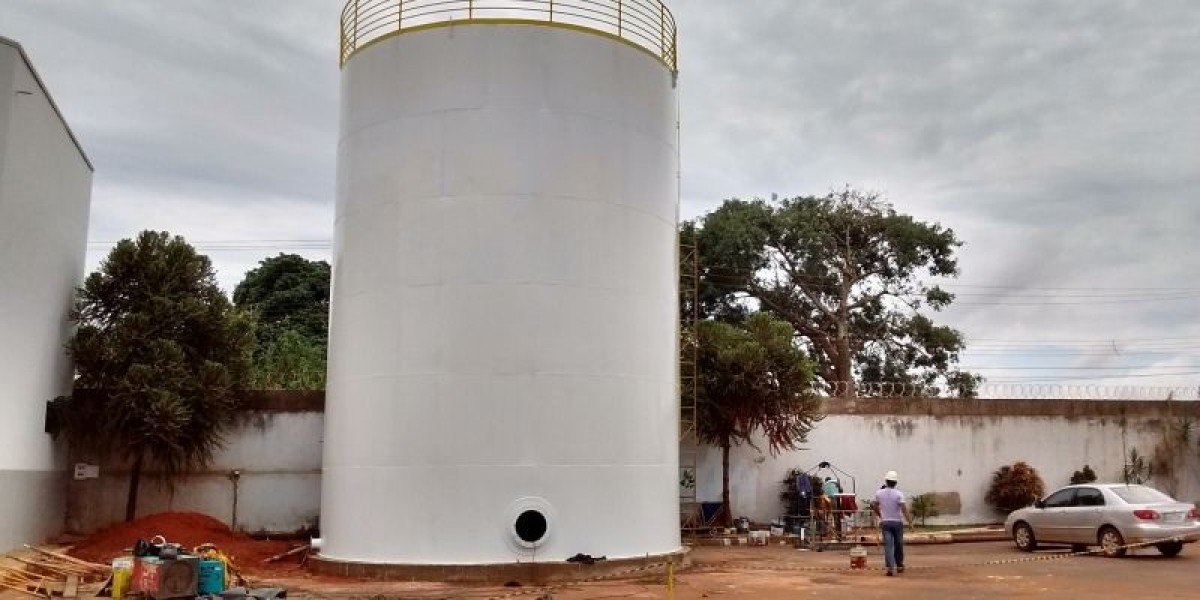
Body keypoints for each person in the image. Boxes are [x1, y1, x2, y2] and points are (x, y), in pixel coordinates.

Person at [873, 470, 914, 576]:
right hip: (897, 522)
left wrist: (880, 515)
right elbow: (904, 509)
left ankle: (890, 568)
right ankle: (899, 565)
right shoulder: (899, 494)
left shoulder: (879, 493)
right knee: (899, 544)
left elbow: (874, 505)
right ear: (895, 482)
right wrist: (910, 522)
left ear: (886, 481)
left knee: (888, 545)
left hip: (885, 523)